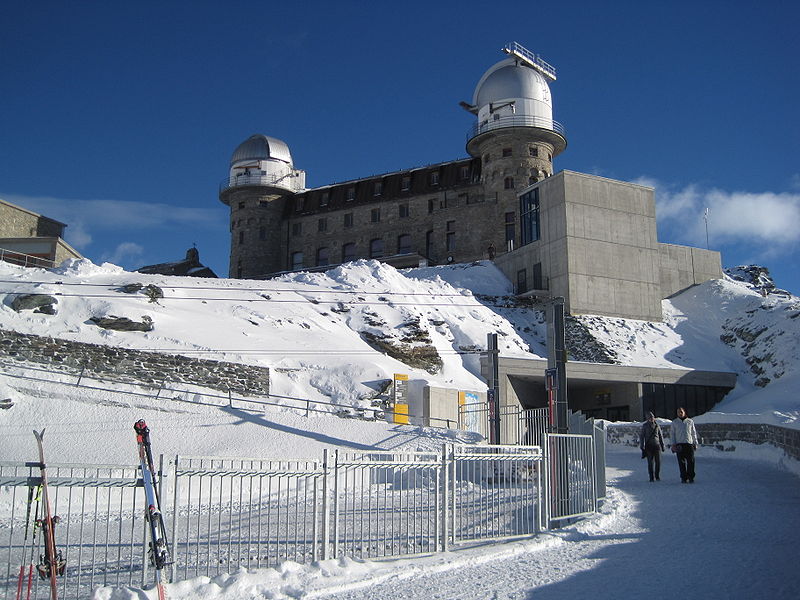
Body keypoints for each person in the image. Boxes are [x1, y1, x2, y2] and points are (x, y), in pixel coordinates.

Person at [671, 406, 699, 483]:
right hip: (679, 445)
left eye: (681, 411)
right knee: (681, 462)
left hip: (689, 444)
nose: (680, 413)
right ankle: (683, 477)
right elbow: (672, 434)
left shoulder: (690, 421)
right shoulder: (675, 422)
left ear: (684, 412)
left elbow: (693, 433)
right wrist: (673, 444)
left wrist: (695, 443)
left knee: (691, 461)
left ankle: (691, 477)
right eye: (678, 412)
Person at [639, 411, 665, 481]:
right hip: (649, 446)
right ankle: (651, 476)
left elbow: (660, 436)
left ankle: (657, 475)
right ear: (647, 418)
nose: (651, 418)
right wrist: (642, 445)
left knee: (658, 462)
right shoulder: (645, 426)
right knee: (650, 463)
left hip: (657, 445)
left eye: (652, 417)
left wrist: (662, 445)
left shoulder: (657, 425)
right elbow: (642, 436)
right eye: (650, 417)